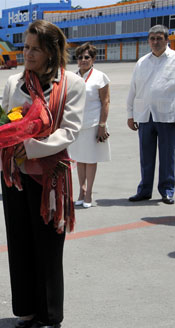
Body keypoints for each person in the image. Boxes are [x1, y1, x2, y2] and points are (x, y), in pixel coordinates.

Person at [0, 20, 84, 328]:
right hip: (16, 174)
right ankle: (27, 308)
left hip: (49, 175)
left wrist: (31, 148)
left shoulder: (72, 84)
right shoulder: (14, 82)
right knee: (19, 240)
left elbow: (70, 130)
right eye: (25, 46)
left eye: (35, 48)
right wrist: (1, 139)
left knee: (47, 244)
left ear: (50, 51)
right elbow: (5, 119)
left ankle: (49, 314)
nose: (28, 53)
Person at [126, 25, 175, 205]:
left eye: (159, 38)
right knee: (146, 155)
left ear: (167, 40)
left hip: (168, 114)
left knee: (167, 155)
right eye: (152, 38)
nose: (155, 41)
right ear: (148, 41)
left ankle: (167, 190)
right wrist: (130, 114)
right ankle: (144, 190)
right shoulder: (142, 62)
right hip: (144, 115)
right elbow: (133, 89)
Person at [68, 43, 111, 208]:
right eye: (80, 57)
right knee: (79, 159)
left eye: (87, 57)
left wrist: (102, 124)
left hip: (93, 123)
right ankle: (81, 189)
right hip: (76, 124)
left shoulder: (100, 77)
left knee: (91, 159)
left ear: (93, 59)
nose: (83, 60)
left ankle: (89, 193)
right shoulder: (72, 77)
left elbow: (105, 101)